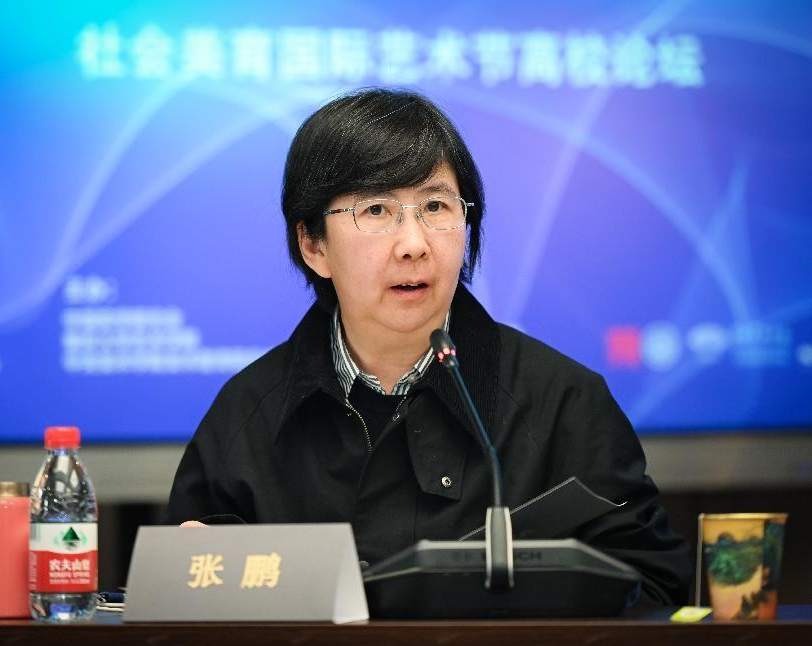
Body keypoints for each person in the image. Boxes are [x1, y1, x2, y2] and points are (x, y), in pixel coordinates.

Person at [165, 88, 692, 605]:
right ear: (313, 244)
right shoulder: (248, 413)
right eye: (376, 210)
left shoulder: (563, 404)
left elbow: (658, 591)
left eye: (436, 206)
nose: (414, 244)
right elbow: (175, 603)